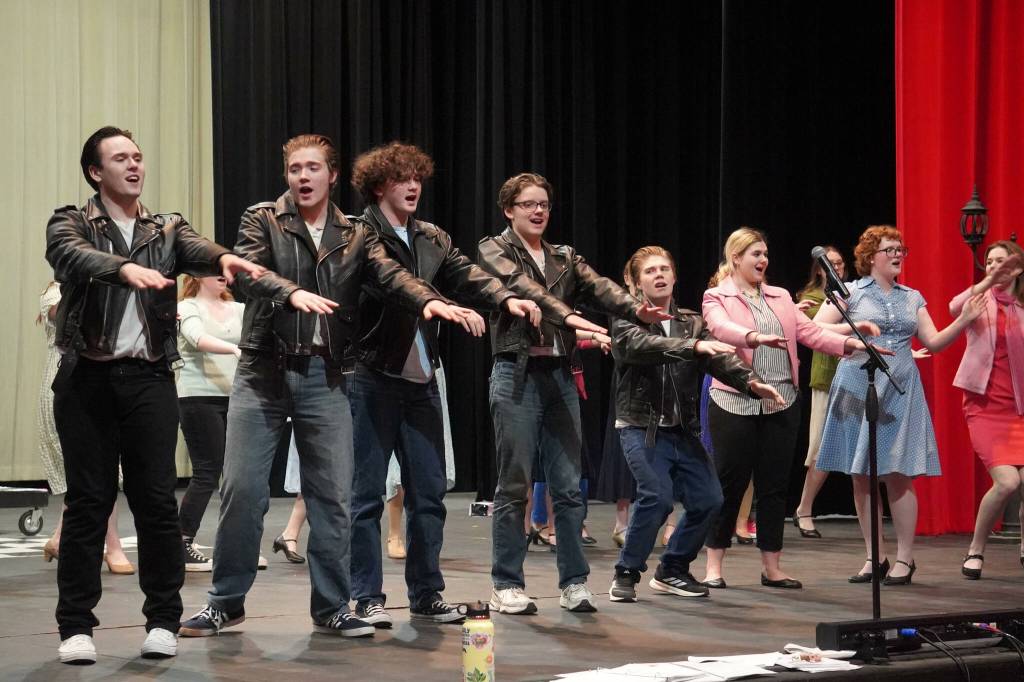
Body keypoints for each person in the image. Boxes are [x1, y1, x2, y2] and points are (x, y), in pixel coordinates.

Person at [180, 134, 468, 640]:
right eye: (295, 169)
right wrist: (290, 292)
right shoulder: (263, 218)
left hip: (327, 373)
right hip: (264, 370)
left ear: (332, 175)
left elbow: (390, 274)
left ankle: (332, 606)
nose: (303, 177)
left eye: (313, 168)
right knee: (243, 490)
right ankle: (226, 602)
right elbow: (248, 276)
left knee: (332, 497)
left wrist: (426, 301)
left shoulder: (355, 232)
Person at [45, 126, 263, 664]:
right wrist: (122, 267)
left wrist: (224, 260)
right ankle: (76, 627)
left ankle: (162, 619)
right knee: (88, 503)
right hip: (87, 379)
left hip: (147, 378)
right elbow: (69, 256)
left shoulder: (165, 228)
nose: (134, 165)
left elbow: (197, 249)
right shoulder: (71, 220)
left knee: (156, 502)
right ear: (97, 171)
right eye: (121, 158)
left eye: (138, 157)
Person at [346, 143, 588, 628]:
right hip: (372, 375)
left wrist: (507, 299)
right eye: (401, 179)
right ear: (378, 187)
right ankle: (366, 595)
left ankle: (426, 594)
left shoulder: (431, 236)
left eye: (417, 176)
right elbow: (390, 278)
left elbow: (467, 274)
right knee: (368, 494)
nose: (413, 185)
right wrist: (430, 303)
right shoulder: (359, 233)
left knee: (429, 493)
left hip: (421, 377)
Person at [477, 171, 669, 615]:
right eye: (529, 204)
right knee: (514, 484)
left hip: (559, 374)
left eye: (544, 203)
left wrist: (633, 306)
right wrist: (569, 317)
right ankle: (506, 583)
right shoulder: (494, 249)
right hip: (516, 374)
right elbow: (524, 289)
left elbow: (599, 285)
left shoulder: (563, 256)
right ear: (510, 210)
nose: (539, 210)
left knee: (567, 485)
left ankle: (573, 582)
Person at [701, 227, 882, 590]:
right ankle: (713, 565)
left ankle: (772, 568)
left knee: (774, 487)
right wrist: (753, 337)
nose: (763, 260)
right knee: (730, 484)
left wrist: (853, 341)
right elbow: (721, 330)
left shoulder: (780, 296)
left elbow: (811, 334)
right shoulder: (715, 297)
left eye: (765, 253)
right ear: (736, 258)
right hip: (735, 400)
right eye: (755, 253)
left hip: (782, 401)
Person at [608, 246, 783, 603]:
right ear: (637, 282)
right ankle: (627, 571)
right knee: (656, 498)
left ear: (674, 276)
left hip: (683, 430)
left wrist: (751, 382)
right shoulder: (627, 319)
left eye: (664, 269)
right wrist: (693, 347)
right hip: (643, 426)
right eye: (650, 271)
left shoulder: (691, 321)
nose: (659, 275)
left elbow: (721, 361)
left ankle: (672, 568)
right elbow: (639, 347)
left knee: (709, 499)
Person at [815, 225, 985, 585]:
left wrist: (965, 320)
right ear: (871, 256)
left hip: (901, 386)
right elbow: (817, 329)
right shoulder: (851, 292)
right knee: (860, 476)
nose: (898, 255)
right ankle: (873, 556)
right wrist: (855, 331)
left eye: (901, 249)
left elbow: (935, 342)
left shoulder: (912, 297)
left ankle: (905, 559)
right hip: (857, 383)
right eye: (890, 249)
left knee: (898, 474)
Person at [38, 281, 135, 574]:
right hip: (66, 378)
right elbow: (63, 314)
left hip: (102, 378)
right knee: (88, 467)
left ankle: (58, 538)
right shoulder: (54, 291)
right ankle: (114, 546)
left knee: (99, 467)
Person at [950, 241, 1024, 579]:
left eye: (1001, 262)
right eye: (989, 262)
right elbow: (954, 308)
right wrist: (985, 283)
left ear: (1016, 268)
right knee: (1007, 482)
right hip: (985, 405)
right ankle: (976, 548)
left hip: (1019, 406)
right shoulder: (979, 301)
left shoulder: (1022, 307)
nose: (994, 267)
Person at [176, 275, 245, 572]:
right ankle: (180, 543)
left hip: (238, 397)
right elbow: (197, 338)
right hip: (198, 396)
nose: (224, 275)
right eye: (215, 269)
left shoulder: (239, 308)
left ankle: (238, 545)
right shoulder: (186, 307)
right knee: (208, 471)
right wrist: (233, 349)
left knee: (241, 474)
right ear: (197, 275)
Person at [792, 246, 849, 538]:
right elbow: (818, 331)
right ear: (819, 269)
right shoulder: (812, 299)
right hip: (827, 379)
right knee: (820, 448)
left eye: (839, 263)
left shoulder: (851, 294)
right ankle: (804, 508)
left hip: (854, 378)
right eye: (830, 264)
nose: (836, 268)